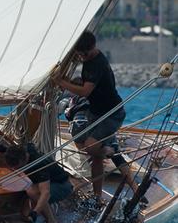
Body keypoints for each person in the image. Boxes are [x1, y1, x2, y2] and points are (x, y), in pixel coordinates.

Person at [53, 31, 137, 202]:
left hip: (111, 113)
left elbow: (85, 91)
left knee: (91, 148)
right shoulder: (89, 58)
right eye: (79, 54)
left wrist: (61, 82)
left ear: (91, 49)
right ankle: (97, 196)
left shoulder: (95, 64)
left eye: (83, 54)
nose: (81, 57)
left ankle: (110, 150)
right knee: (95, 157)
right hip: (95, 112)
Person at [5, 143, 73, 223]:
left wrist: (35, 212)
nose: (15, 169)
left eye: (17, 167)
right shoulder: (24, 150)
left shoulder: (39, 166)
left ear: (24, 159)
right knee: (26, 202)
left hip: (62, 186)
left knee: (32, 192)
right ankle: (39, 215)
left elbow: (46, 193)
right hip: (44, 183)